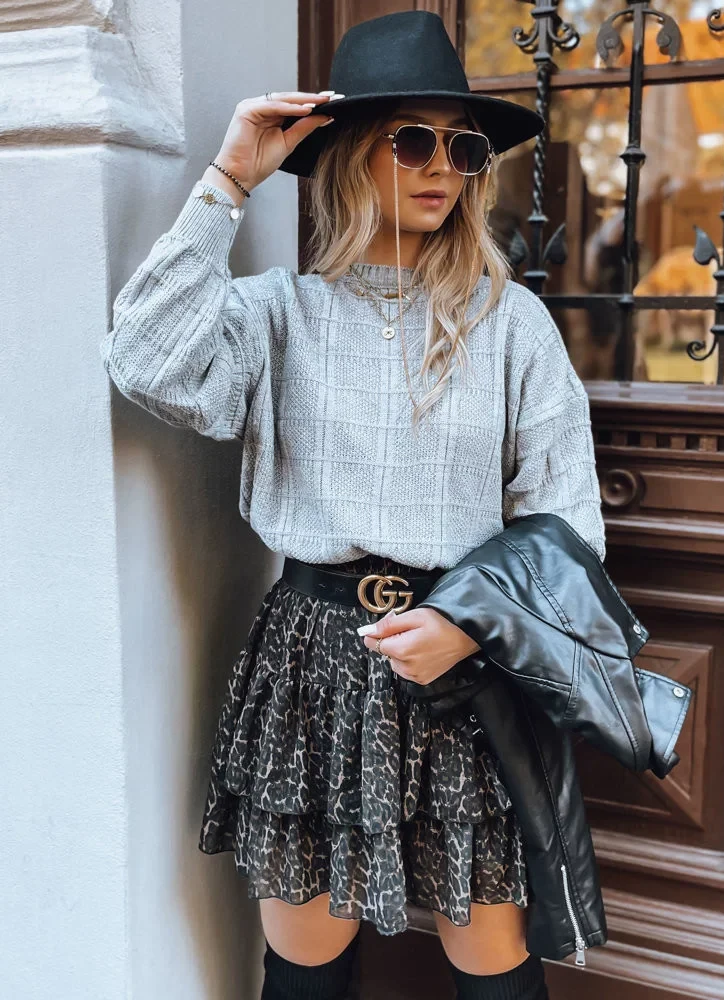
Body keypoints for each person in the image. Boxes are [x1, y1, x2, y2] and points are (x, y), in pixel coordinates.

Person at [99, 11, 606, 1000]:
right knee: (307, 966)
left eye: (463, 148)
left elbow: (569, 521)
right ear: (346, 154)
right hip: (313, 663)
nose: (442, 167)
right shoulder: (277, 313)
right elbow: (144, 360)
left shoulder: (512, 325)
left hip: (467, 663)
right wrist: (228, 181)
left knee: (497, 969)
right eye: (412, 140)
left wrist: (470, 624)